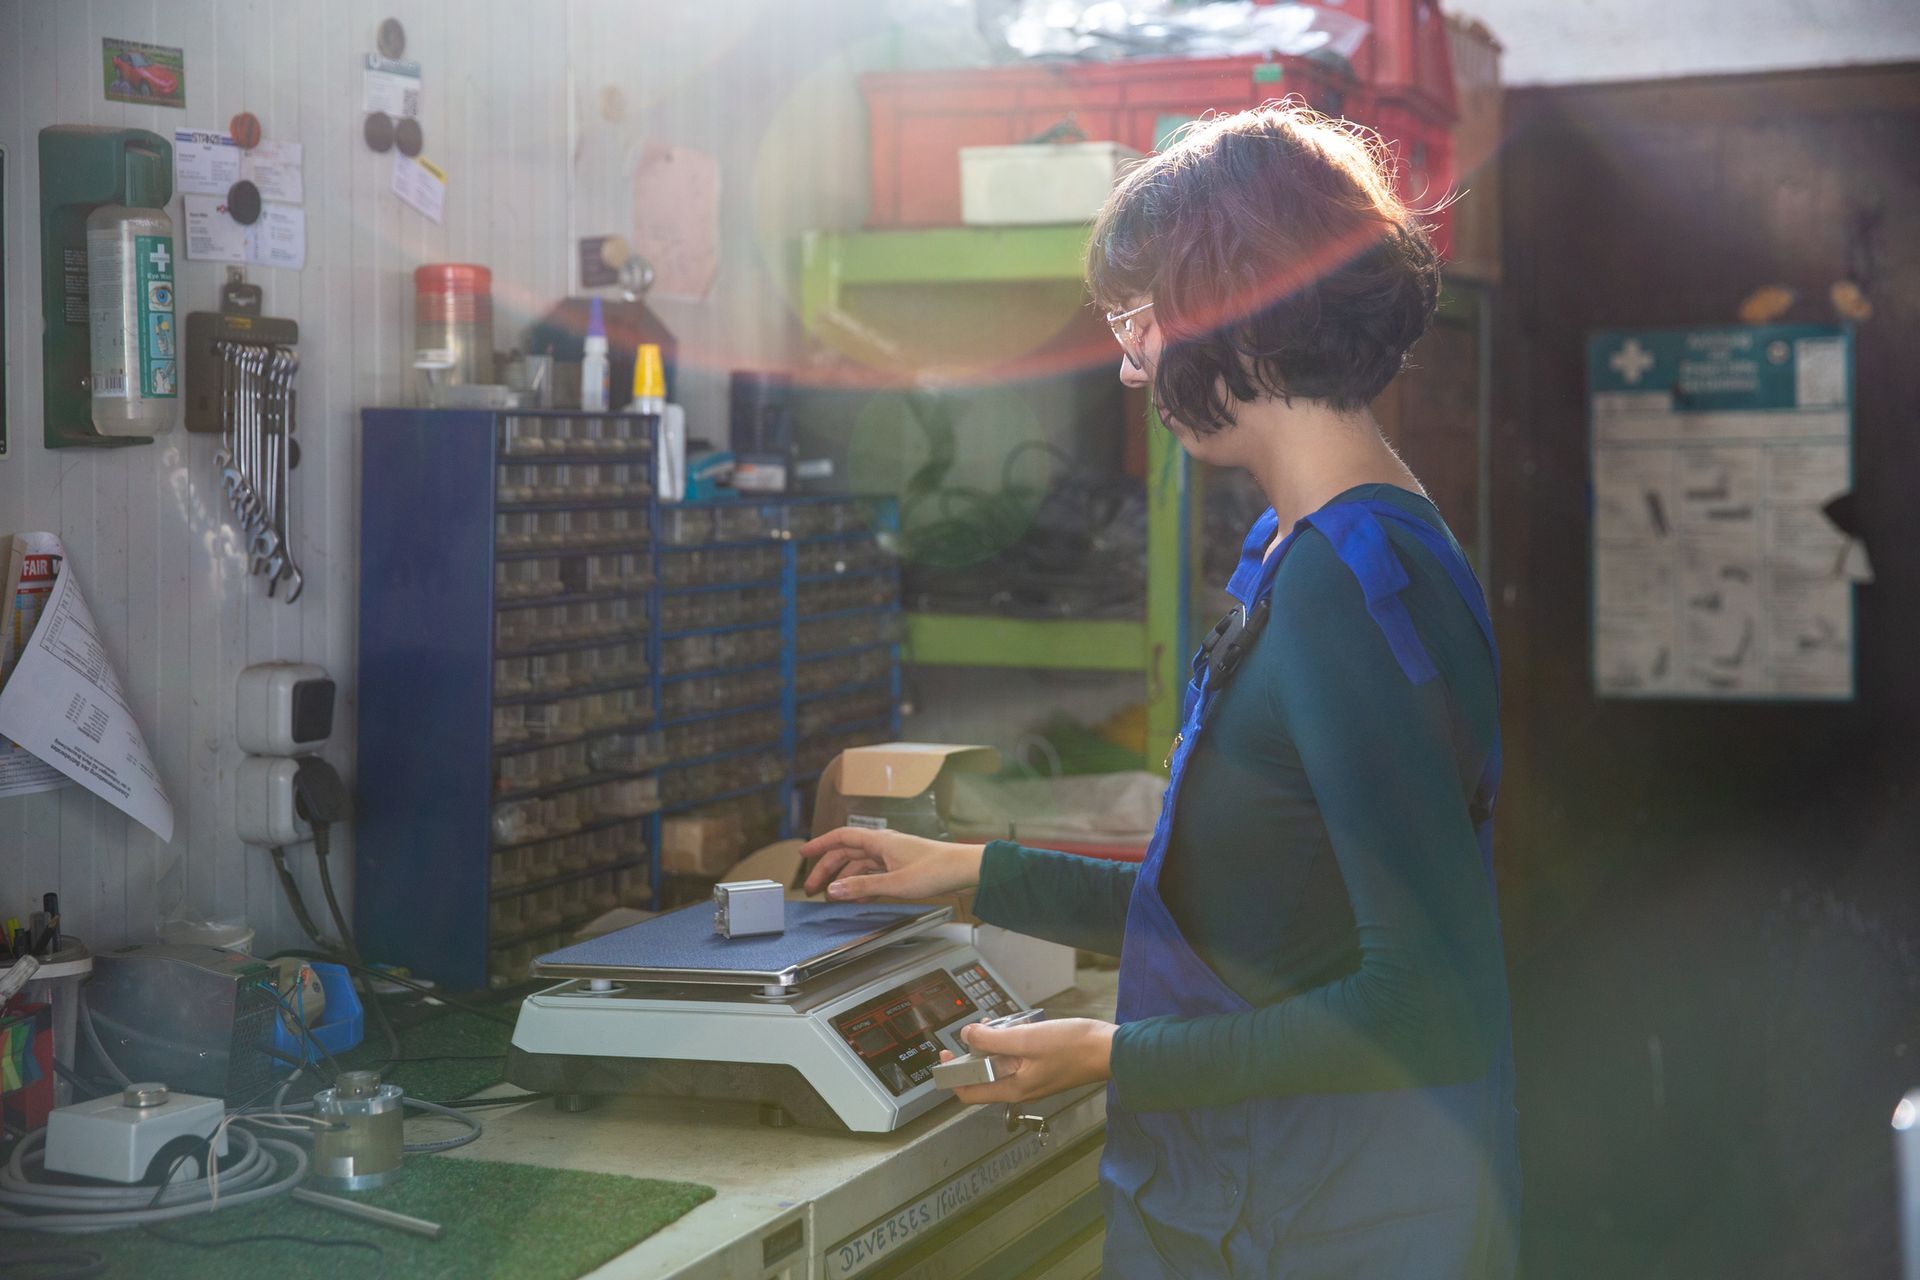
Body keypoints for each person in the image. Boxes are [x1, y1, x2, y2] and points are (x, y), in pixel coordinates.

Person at [801, 105, 1519, 1278]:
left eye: (1141, 325)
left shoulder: (1352, 588)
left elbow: (1422, 1003)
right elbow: (1259, 895)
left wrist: (1108, 1051)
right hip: (1269, 1195)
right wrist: (982, 874)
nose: (1131, 365)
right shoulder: (1307, 548)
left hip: (1331, 1217)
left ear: (1239, 315)